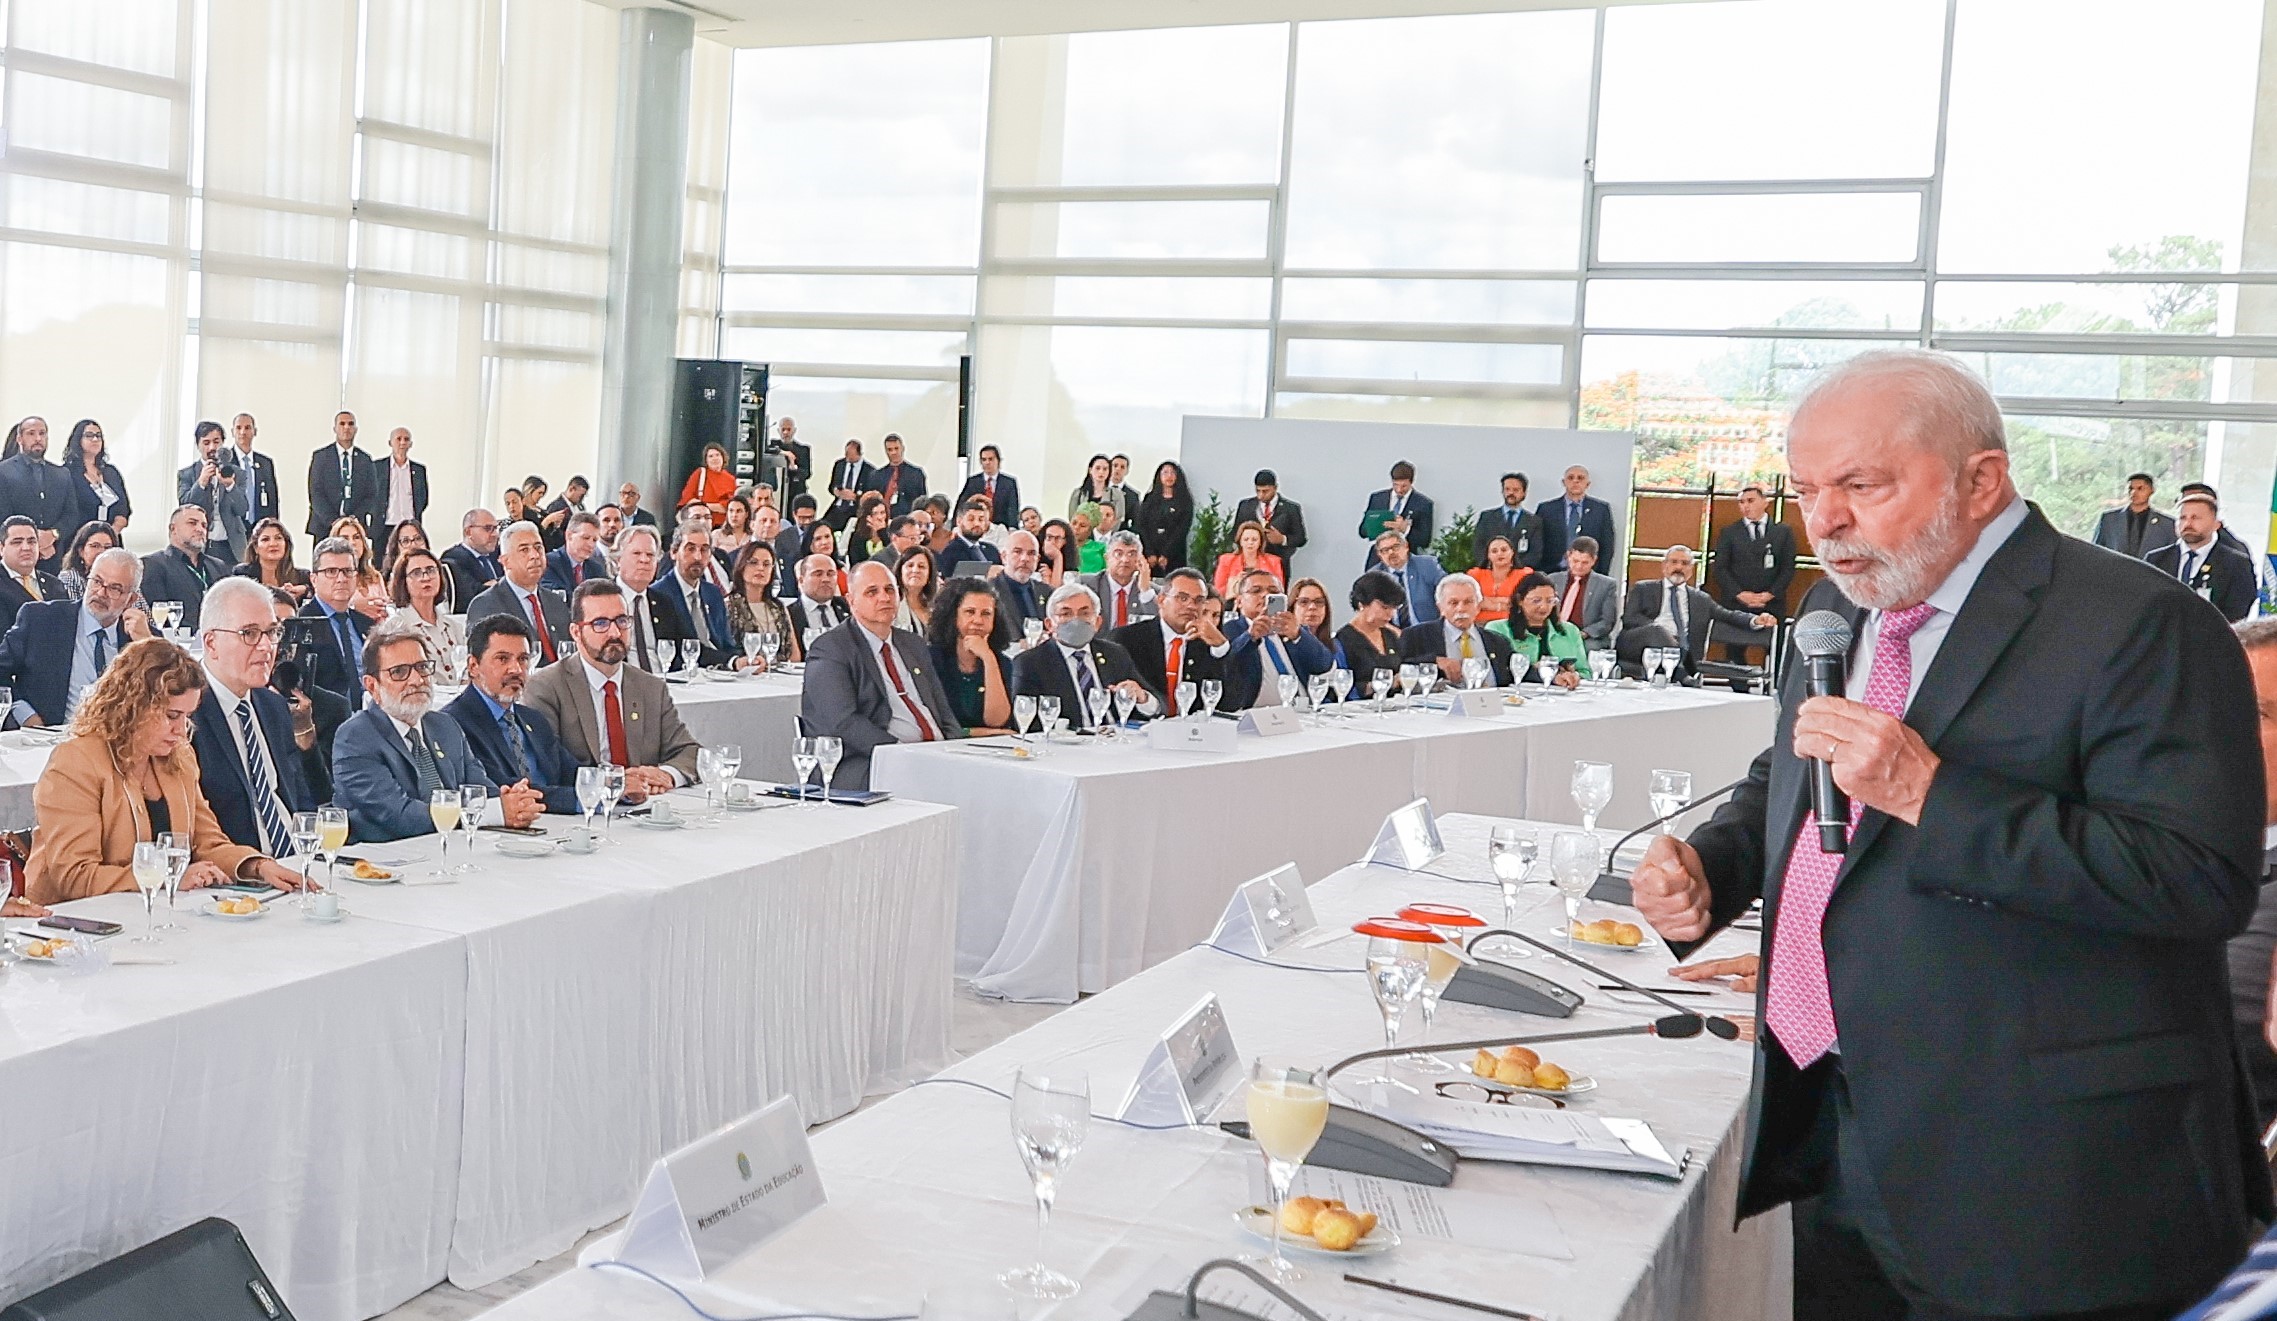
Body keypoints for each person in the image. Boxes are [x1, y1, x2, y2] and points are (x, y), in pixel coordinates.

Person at [1627, 348, 2266, 1321]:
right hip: (1839, 1125)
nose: (1823, 522)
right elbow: (1796, 775)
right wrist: (1716, 866)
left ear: (1981, 480)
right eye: (1805, 489)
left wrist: (1933, 794)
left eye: (1860, 485)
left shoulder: (2145, 624)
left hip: (2044, 1179)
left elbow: (2196, 878)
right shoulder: (1838, 604)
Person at [26, 638, 306, 903]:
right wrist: (167, 876)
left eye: (187, 716)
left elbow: (208, 842)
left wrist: (256, 866)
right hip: (70, 922)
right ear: (132, 707)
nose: (181, 730)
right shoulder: (75, 762)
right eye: (172, 716)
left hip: (154, 912)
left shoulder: (179, 757)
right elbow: (75, 876)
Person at [331, 619, 539, 841]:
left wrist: (513, 802)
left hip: (454, 848)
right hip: (386, 855)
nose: (416, 680)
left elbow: (480, 790)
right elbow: (399, 816)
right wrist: (494, 811)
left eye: (422, 668)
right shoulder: (355, 737)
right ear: (372, 685)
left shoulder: (445, 726)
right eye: (399, 672)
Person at [520, 579, 701, 799]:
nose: (615, 633)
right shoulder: (546, 687)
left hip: (647, 805)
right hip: (583, 809)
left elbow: (689, 751)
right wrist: (616, 783)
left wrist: (666, 774)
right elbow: (548, 767)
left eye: (622, 621)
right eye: (600, 623)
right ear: (576, 632)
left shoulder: (651, 687)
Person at [800, 559, 960, 788]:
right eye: (872, 592)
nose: (884, 598)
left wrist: (954, 749)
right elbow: (843, 723)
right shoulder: (831, 648)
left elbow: (941, 709)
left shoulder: (913, 644)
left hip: (934, 757)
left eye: (889, 590)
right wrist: (901, 754)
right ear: (851, 601)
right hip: (868, 762)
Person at [190, 576, 319, 854]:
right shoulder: (185, 714)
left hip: (297, 859)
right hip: (234, 867)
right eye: (249, 633)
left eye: (272, 632)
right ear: (211, 643)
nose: (266, 646)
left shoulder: (273, 706)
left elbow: (299, 799)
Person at [443, 612, 584, 816]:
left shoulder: (533, 719)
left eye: (523, 659)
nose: (516, 669)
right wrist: (584, 797)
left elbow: (571, 771)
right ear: (473, 666)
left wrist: (612, 782)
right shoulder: (453, 722)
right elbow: (499, 788)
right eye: (502, 659)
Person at [0, 546, 147, 727]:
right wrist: (25, 715)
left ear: (131, 599)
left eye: (115, 589)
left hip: (118, 738)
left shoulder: (140, 637)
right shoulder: (40, 619)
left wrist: (149, 645)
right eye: (97, 582)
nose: (101, 593)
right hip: (51, 734)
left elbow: (168, 693)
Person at [1011, 582, 1162, 731]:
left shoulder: (1114, 653)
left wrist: (1143, 698)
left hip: (1114, 739)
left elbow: (1158, 707)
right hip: (1066, 742)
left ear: (1097, 622)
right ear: (1049, 624)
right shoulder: (1030, 663)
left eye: (1084, 613)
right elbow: (1026, 722)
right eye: (1066, 614)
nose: (1076, 620)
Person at [1617, 544, 1776, 678]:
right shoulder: (1643, 588)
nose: (1679, 567)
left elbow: (1728, 615)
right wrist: (1661, 631)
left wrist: (1755, 620)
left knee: (1667, 640)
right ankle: (1686, 672)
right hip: (1640, 645)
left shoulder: (1701, 599)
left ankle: (1683, 669)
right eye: (1674, 562)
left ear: (1691, 570)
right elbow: (1629, 618)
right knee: (1657, 631)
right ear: (1664, 566)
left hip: (1680, 651)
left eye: (1685, 563)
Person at [1111, 567, 1227, 715]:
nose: (1191, 606)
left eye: (1199, 600)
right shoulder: (1127, 639)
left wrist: (1221, 647)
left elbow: (1230, 702)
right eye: (1182, 598)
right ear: (1161, 600)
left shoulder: (1207, 643)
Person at [1221, 568, 1332, 710]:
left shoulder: (1291, 628)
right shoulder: (1231, 629)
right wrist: (1250, 637)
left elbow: (1324, 665)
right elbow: (1228, 666)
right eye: (1256, 591)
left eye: (1273, 592)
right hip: (1257, 712)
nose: (1265, 595)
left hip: (1302, 709)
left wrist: (1298, 635)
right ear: (1239, 601)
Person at [464, 521, 569, 667]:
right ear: (505, 561)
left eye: (538, 547)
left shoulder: (555, 601)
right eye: (524, 550)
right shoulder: (486, 605)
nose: (534, 555)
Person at [2147, 491, 2257, 622]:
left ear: (2216, 524)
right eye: (2183, 518)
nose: (2188, 524)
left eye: (2195, 518)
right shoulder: (2155, 560)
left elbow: (2238, 610)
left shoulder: (2236, 563)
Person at [928, 577, 1015, 735]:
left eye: (986, 614)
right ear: (954, 616)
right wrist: (972, 732)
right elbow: (934, 723)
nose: (978, 620)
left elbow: (996, 722)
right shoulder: (931, 659)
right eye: (970, 612)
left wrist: (988, 659)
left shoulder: (1002, 662)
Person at [296, 537, 373, 710]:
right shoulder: (302, 624)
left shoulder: (366, 624)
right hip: (326, 718)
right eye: (331, 571)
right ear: (314, 579)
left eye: (347, 571)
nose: (341, 579)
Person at [1399, 575, 1515, 686]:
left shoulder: (1498, 642)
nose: (1461, 608)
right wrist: (1434, 661)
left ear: (1478, 606)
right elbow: (1399, 669)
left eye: (1468, 602)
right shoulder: (1417, 636)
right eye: (1453, 603)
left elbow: (1516, 674)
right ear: (1440, 607)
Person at [610, 524, 696, 673]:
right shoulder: (603, 601)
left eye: (650, 555)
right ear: (618, 559)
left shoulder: (664, 602)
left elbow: (689, 644)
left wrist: (732, 661)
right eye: (636, 553)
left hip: (666, 681)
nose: (644, 560)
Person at [1712, 485, 1799, 623]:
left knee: (1772, 636)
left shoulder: (1783, 532)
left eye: (1750, 501)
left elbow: (1788, 567)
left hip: (1772, 604)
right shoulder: (1729, 532)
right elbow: (1720, 568)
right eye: (1742, 502)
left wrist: (1770, 594)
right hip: (1737, 604)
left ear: (1765, 502)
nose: (1746, 506)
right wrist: (1740, 594)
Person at [141, 505, 233, 630]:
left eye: (204, 526)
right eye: (192, 523)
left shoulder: (219, 566)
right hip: (174, 637)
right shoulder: (153, 564)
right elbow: (157, 616)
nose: (200, 529)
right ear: (173, 529)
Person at [1488, 571, 1585, 686]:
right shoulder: (1498, 629)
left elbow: (1585, 672)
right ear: (1520, 600)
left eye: (1550, 601)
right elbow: (1496, 673)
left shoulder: (1570, 630)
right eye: (1536, 601)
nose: (1544, 607)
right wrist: (1533, 670)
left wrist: (1574, 676)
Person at [178, 419, 253, 565]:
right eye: (206, 443)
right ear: (198, 445)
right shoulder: (187, 474)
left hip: (231, 546)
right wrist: (201, 482)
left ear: (223, 443)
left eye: (216, 442)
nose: (212, 447)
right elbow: (185, 509)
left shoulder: (237, 473)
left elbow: (242, 509)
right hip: (201, 545)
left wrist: (230, 486)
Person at [0, 415, 80, 541]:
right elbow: (3, 514)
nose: (38, 439)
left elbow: (71, 515)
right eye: (31, 433)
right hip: (16, 545)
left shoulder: (62, 474)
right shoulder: (4, 471)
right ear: (19, 439)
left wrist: (53, 535)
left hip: (54, 547)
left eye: (42, 433)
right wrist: (33, 539)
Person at [665, 523, 733, 667]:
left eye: (704, 550)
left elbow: (727, 644)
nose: (698, 557)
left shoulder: (713, 592)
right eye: (690, 549)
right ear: (674, 552)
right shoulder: (660, 594)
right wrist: (731, 661)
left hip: (721, 671)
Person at [306, 410, 378, 539]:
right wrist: (334, 521)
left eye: (350, 424)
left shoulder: (365, 459)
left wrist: (352, 520)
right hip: (325, 526)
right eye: (342, 424)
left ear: (356, 429)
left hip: (355, 527)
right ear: (335, 428)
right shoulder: (321, 457)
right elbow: (316, 493)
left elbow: (371, 494)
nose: (346, 427)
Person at [726, 543, 796, 667]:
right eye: (753, 562)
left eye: (766, 564)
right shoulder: (729, 605)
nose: (760, 568)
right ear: (741, 566)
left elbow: (794, 654)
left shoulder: (778, 607)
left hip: (780, 672)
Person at [1536, 464, 1618, 567]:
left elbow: (1607, 545)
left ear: (1587, 484)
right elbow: (1537, 542)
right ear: (1563, 482)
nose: (1575, 481)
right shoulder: (1546, 509)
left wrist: (1602, 572)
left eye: (1580, 478)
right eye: (1571, 478)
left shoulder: (1600, 510)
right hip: (1553, 569)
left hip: (1588, 570)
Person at [388, 547, 464, 658]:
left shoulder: (453, 626)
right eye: (416, 573)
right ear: (403, 582)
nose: (426, 578)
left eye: (431, 570)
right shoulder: (396, 627)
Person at [1333, 571, 1407, 681]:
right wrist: (1390, 682)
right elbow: (1346, 682)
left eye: (1394, 608)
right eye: (1384, 607)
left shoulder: (1390, 634)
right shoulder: (1343, 640)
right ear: (1362, 604)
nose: (1391, 614)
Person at [1359, 460, 1435, 568]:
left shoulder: (1423, 504)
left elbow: (1425, 541)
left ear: (1411, 482)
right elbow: (1362, 532)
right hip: (1378, 559)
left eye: (1404, 486)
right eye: (1395, 485)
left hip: (1406, 561)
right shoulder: (1377, 498)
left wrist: (1405, 529)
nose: (1399, 490)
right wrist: (1376, 525)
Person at [1233, 469, 1307, 578]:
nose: (1261, 495)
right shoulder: (1245, 506)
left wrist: (1282, 539)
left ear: (1275, 488)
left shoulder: (1291, 509)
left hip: (1279, 564)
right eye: (1258, 491)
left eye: (1265, 491)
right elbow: (1234, 533)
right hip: (1249, 564)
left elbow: (1301, 539)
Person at [1547, 535, 1617, 651]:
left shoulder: (1606, 585)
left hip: (1587, 637)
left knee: (1584, 649)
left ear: (1594, 560)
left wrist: (1583, 634)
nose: (1579, 566)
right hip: (1554, 632)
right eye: (1575, 561)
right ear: (1568, 556)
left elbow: (1607, 621)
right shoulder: (1553, 579)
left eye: (1585, 562)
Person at [62, 418, 131, 533]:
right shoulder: (67, 473)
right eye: (89, 435)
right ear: (78, 439)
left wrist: (112, 532)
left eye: (98, 436)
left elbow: (123, 508)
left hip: (111, 537)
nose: (95, 439)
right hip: (79, 537)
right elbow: (68, 513)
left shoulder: (111, 472)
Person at [2090, 471, 2178, 559]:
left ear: (2152, 490)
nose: (2134, 492)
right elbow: (2096, 550)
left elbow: (2172, 556)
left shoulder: (2167, 524)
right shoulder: (2109, 519)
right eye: (2130, 488)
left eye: (2140, 488)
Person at [1081, 530, 1157, 629]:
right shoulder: (1086, 586)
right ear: (1107, 558)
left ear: (1140, 560)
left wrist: (1145, 591)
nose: (1125, 560)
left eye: (1131, 554)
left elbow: (1160, 626)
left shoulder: (1153, 592)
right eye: (1118, 554)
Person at [1371, 529, 1445, 629]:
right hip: (1393, 633)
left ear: (1406, 546)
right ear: (1379, 555)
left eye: (1395, 547)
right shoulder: (1374, 576)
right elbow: (1372, 612)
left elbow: (1447, 593)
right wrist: (1394, 632)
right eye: (1385, 550)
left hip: (1427, 630)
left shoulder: (1427, 565)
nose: (1391, 552)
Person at [0, 516, 64, 629]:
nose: (26, 548)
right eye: (17, 542)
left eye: (32, 542)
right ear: (1, 548)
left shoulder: (55, 584)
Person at [1473, 472, 1544, 570]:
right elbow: (1478, 546)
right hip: (1490, 571)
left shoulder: (1534, 522)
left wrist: (1514, 570)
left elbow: (1535, 553)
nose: (1511, 493)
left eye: (1515, 490)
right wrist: (1491, 566)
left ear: (1524, 493)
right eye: (1507, 489)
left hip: (1520, 573)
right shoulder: (1487, 517)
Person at [233, 518, 310, 604]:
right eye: (265, 539)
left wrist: (306, 590)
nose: (273, 544)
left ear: (286, 545)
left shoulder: (303, 577)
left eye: (278, 538)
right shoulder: (242, 574)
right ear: (256, 548)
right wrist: (280, 593)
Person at [1136, 460, 1193, 575]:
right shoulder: (1149, 499)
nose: (1169, 476)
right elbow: (1141, 525)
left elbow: (1182, 529)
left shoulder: (1185, 501)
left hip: (1175, 554)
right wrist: (1149, 552)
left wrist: (1166, 554)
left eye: (1173, 473)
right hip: (1150, 554)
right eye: (1165, 472)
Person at [227, 413, 280, 533]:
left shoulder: (266, 463)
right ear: (232, 432)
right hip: (232, 528)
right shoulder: (226, 462)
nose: (242, 432)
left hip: (259, 528)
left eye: (247, 428)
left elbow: (273, 499)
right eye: (238, 428)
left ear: (254, 432)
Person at [328, 514, 388, 618]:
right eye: (345, 538)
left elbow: (386, 608)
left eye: (356, 537)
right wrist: (354, 607)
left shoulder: (375, 576)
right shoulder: (330, 577)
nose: (352, 542)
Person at [992, 531, 1047, 634]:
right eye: (1017, 552)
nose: (1025, 559)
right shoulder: (989, 591)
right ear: (1004, 557)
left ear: (1038, 559)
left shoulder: (1046, 591)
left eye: (1031, 553)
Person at [1212, 520, 1285, 598]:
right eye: (1246, 539)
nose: (1250, 543)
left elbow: (1279, 590)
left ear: (1260, 542)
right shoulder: (1226, 560)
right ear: (1240, 541)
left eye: (1254, 539)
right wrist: (1236, 583)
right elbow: (1219, 590)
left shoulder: (1274, 561)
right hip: (1234, 600)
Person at [788, 551, 850, 643]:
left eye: (830, 574)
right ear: (801, 580)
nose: (826, 579)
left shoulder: (848, 607)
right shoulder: (788, 615)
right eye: (818, 574)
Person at [379, 426, 428, 540]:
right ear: (390, 443)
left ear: (411, 444)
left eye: (406, 439)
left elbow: (423, 498)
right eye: (398, 439)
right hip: (383, 527)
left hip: (410, 525)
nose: (402, 442)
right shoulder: (377, 467)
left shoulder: (419, 470)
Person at [1466, 535, 1527, 625]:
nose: (1499, 554)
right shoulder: (1475, 574)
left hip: (1512, 623)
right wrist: (1503, 603)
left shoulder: (1524, 574)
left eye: (1504, 550)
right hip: (1478, 624)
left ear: (1512, 552)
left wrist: (1487, 602)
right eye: (1494, 551)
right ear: (1488, 555)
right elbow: (1469, 601)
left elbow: (1523, 602)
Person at [956, 445, 1022, 528]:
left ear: (998, 461)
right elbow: (962, 505)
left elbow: (1013, 509)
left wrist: (1012, 529)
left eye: (990, 459)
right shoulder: (973, 481)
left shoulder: (1009, 483)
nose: (987, 462)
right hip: (976, 527)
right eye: (984, 459)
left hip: (1000, 528)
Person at [542, 511, 607, 592]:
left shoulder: (597, 569)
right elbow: (555, 595)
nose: (591, 544)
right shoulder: (549, 563)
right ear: (569, 535)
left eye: (594, 540)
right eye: (585, 538)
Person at [936, 497, 1003, 575]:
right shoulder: (951, 551)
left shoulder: (991, 550)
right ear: (959, 521)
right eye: (971, 519)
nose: (977, 524)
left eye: (981, 520)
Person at [864, 433, 925, 517]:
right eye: (890, 450)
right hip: (882, 518)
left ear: (902, 448)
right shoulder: (876, 475)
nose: (893, 452)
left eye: (896, 448)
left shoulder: (916, 474)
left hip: (907, 518)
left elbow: (922, 502)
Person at [57, 522, 119, 600]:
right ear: (81, 551)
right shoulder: (69, 578)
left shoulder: (121, 579)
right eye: (95, 546)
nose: (101, 552)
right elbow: (73, 607)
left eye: (107, 547)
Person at [677, 443, 736, 524]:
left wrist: (704, 504)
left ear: (723, 457)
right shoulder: (699, 474)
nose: (715, 458)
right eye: (710, 456)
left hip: (723, 525)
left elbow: (731, 506)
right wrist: (712, 507)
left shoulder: (731, 479)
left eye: (717, 455)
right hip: (699, 523)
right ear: (706, 460)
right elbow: (688, 498)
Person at [824, 439, 872, 531]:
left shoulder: (869, 471)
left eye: (850, 454)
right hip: (838, 506)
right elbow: (831, 486)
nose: (847, 457)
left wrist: (855, 497)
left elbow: (870, 496)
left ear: (859, 454)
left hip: (855, 509)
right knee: (823, 526)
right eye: (846, 453)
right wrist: (836, 491)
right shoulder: (839, 465)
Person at [894, 546, 938, 636]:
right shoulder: (891, 605)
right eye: (910, 565)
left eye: (921, 567)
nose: (915, 570)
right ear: (900, 571)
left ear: (929, 574)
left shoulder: (937, 606)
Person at [536, 475, 587, 550]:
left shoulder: (580, 507)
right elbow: (552, 533)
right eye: (581, 496)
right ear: (571, 489)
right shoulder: (556, 506)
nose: (582, 499)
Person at [845, 493, 893, 566]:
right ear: (867, 516)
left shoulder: (892, 534)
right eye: (875, 513)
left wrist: (882, 532)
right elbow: (855, 562)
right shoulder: (857, 537)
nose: (879, 517)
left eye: (882, 513)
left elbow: (894, 555)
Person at [379, 519, 432, 584]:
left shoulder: (437, 574)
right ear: (396, 548)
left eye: (418, 539)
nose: (413, 545)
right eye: (406, 541)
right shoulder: (383, 582)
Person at [771, 417, 811, 502]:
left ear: (794, 430)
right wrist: (784, 453)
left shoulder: (803, 449)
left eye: (789, 429)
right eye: (783, 429)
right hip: (776, 491)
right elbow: (767, 450)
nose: (786, 432)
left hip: (795, 492)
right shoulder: (772, 444)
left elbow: (806, 473)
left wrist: (794, 467)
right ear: (778, 430)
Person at [1289, 577, 1334, 651]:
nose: (1312, 607)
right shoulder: (1282, 646)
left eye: (1319, 602)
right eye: (1304, 601)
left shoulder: (1336, 646)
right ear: (1292, 607)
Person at [1068, 454, 1116, 520]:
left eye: (1105, 469)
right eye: (1097, 468)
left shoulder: (1116, 494)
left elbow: (1118, 518)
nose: (1101, 472)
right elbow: (1072, 517)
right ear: (1090, 470)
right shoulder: (1078, 493)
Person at [714, 493, 756, 561]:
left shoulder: (753, 536)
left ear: (746, 514)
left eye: (739, 511)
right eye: (731, 511)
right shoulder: (717, 535)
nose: (734, 515)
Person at [1036, 519, 1076, 589]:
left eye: (1057, 538)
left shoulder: (1071, 570)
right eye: (1049, 537)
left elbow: (1056, 592)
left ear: (1065, 541)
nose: (1052, 542)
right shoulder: (1034, 561)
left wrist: (1058, 557)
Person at [1104, 454, 1140, 530]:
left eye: (1122, 467)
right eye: (1115, 465)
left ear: (1127, 471)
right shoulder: (1099, 490)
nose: (1118, 469)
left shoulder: (1133, 495)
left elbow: (1136, 523)